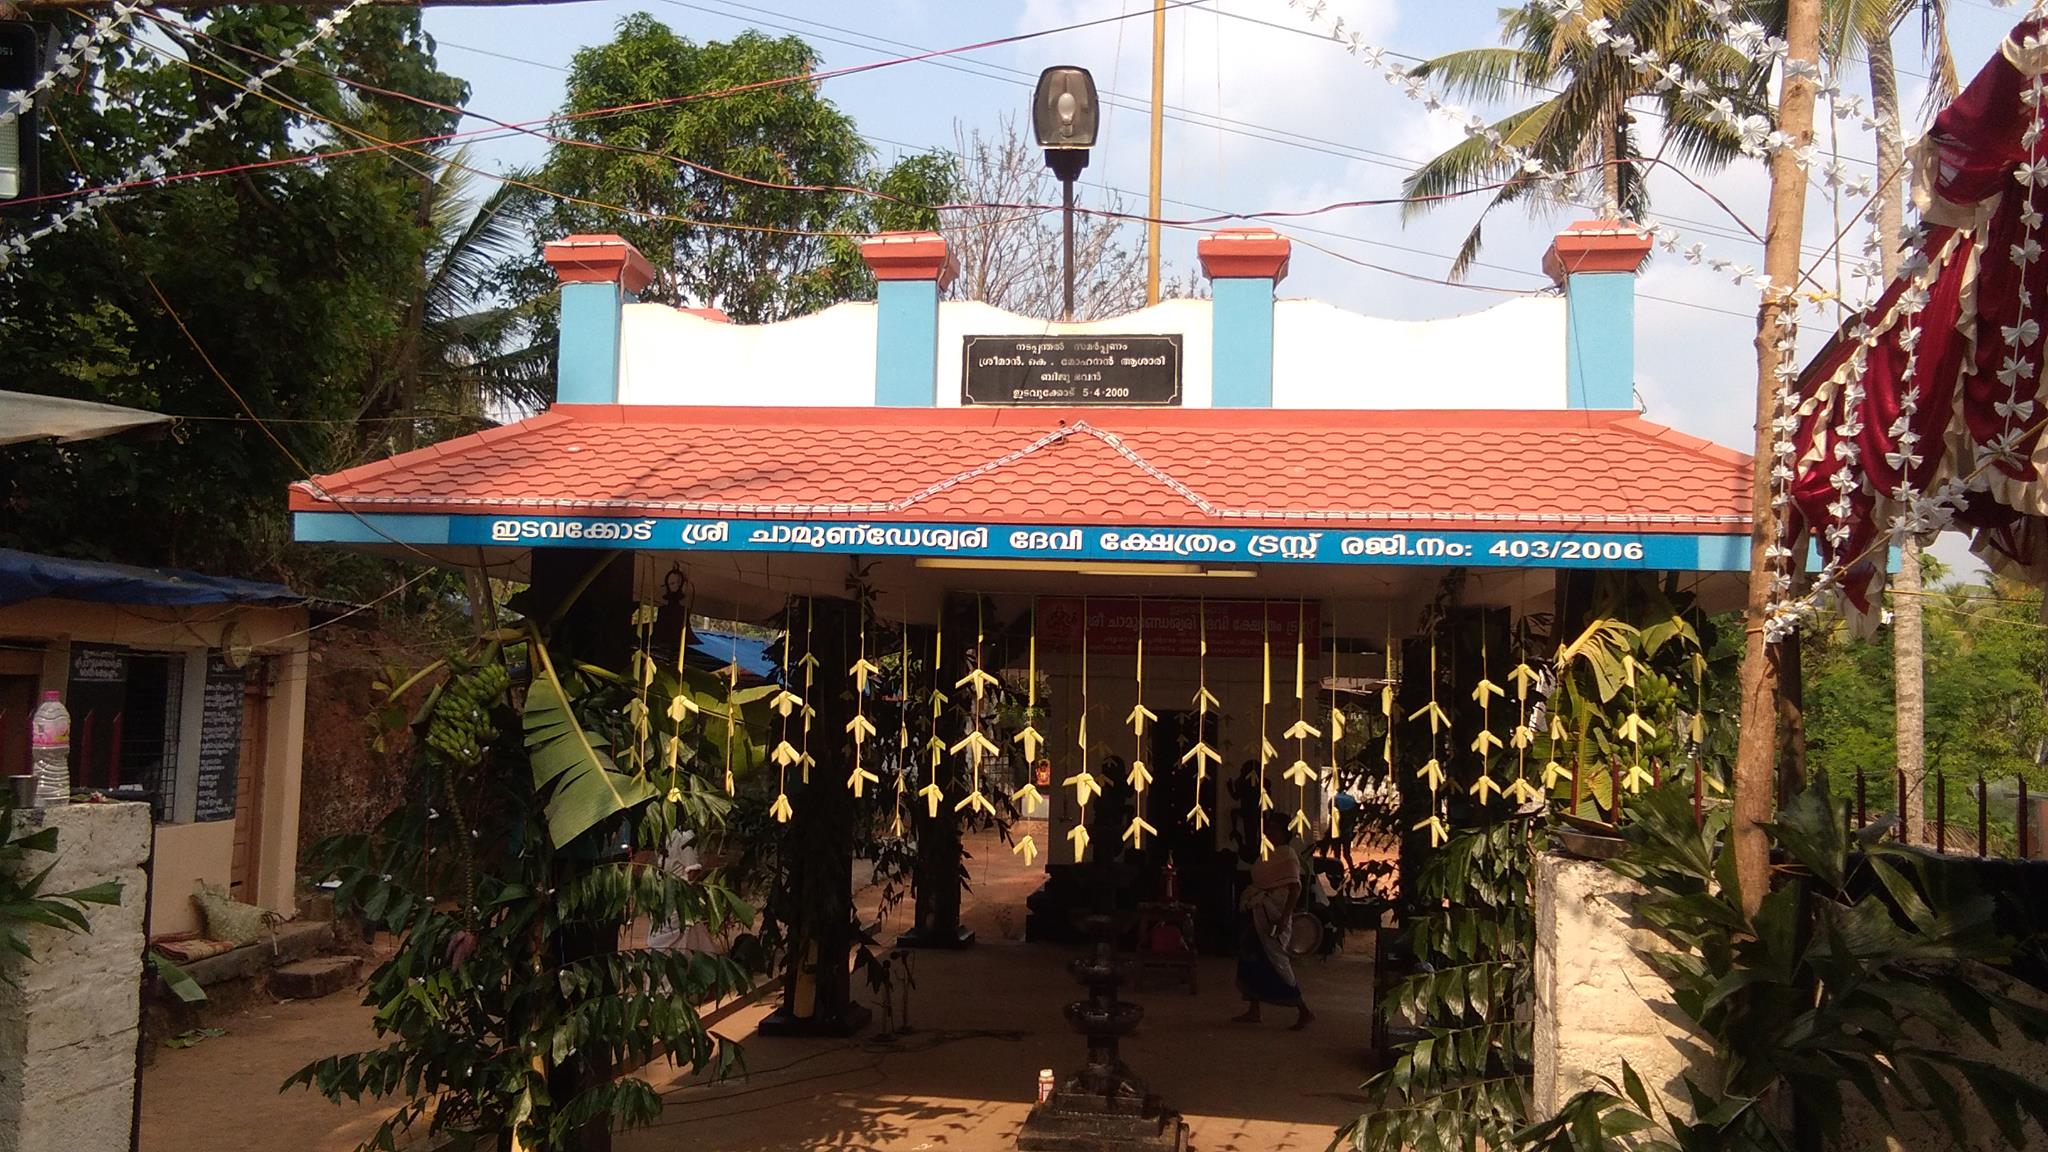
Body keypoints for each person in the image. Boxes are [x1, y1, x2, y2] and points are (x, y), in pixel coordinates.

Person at [1232, 810, 1315, 1029]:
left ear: (1284, 833)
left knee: (1277, 963)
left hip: (1274, 914)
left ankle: (1303, 1009)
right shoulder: (1267, 853)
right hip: (1257, 910)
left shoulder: (1288, 855)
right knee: (1251, 959)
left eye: (1275, 830)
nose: (1270, 833)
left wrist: (1285, 917)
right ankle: (1254, 1009)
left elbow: (1295, 889)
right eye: (1268, 829)